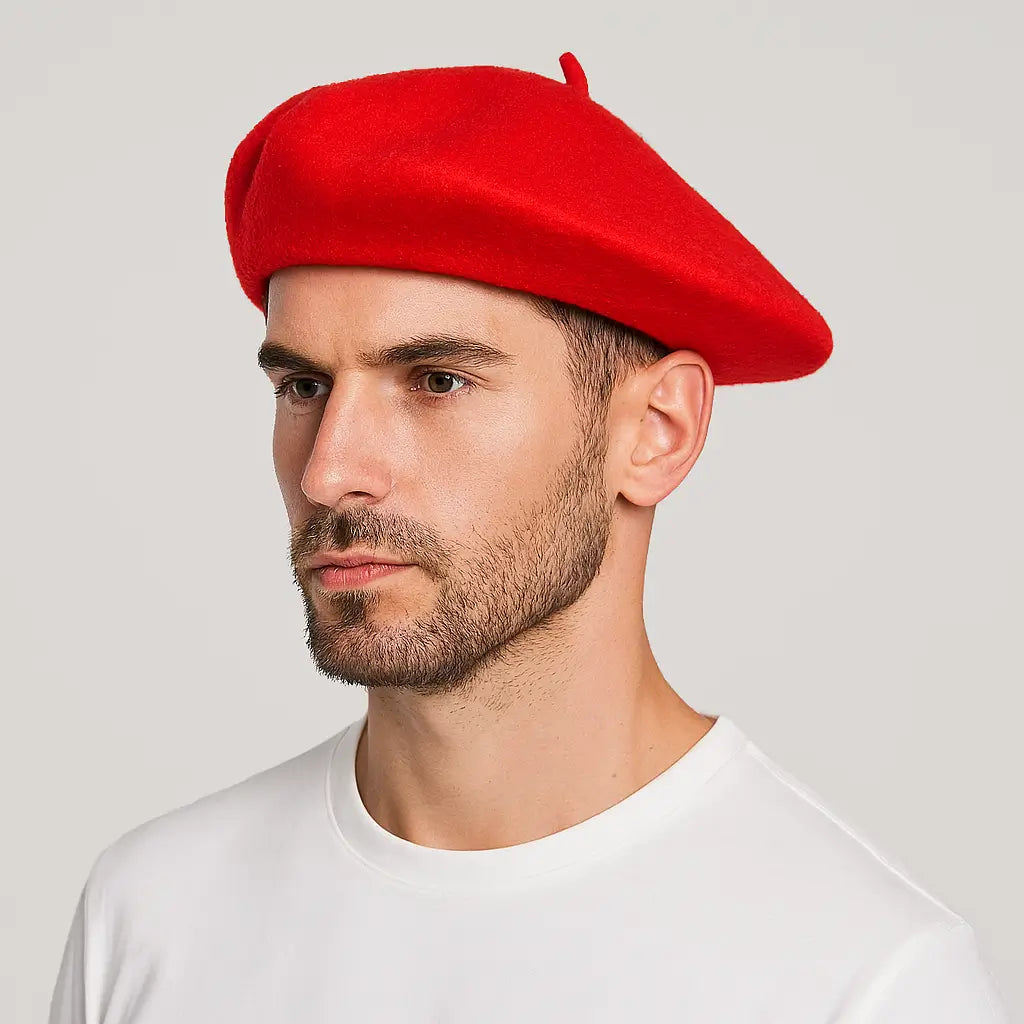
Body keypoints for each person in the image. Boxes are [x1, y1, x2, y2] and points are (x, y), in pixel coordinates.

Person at [49, 52, 1009, 1022]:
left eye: (435, 380)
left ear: (654, 432)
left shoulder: (861, 977)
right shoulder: (152, 913)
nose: (327, 469)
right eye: (303, 386)